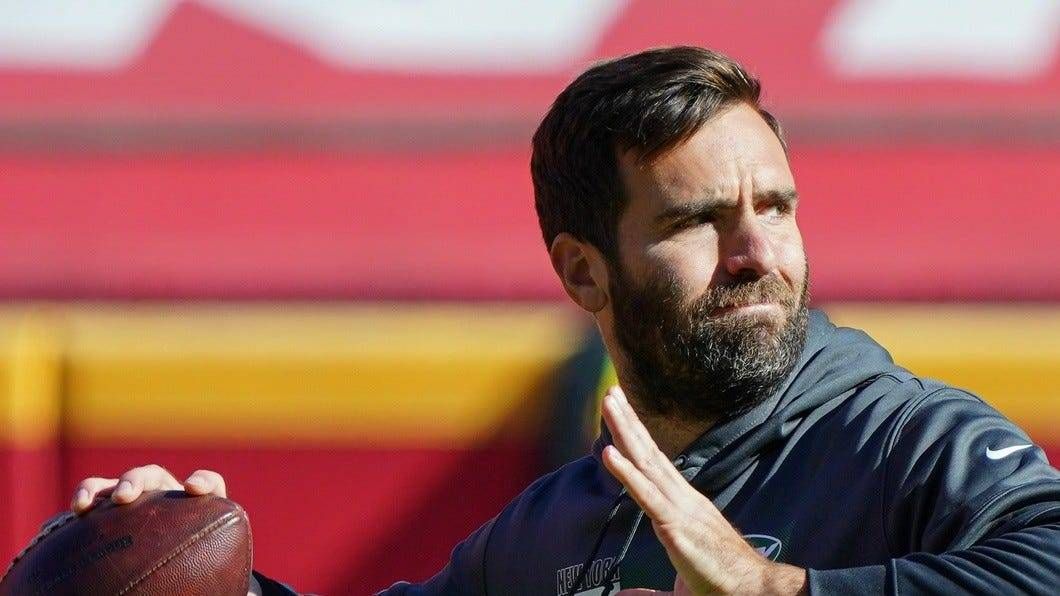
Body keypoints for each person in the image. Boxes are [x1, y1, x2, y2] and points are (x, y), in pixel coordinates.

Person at [65, 46, 1060, 595]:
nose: (757, 251)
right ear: (583, 271)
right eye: (698, 221)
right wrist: (190, 572)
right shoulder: (559, 524)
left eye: (776, 207)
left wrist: (772, 589)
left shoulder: (902, 440)